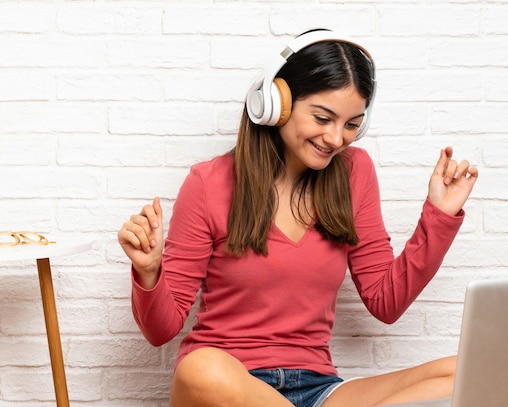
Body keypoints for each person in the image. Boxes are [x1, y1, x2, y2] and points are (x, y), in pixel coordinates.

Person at [118, 29, 478, 407]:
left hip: (318, 388)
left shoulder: (354, 172)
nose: (337, 139)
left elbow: (385, 301)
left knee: (465, 370)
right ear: (277, 103)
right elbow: (162, 330)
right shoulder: (209, 182)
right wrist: (149, 271)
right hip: (230, 384)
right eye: (323, 118)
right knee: (200, 368)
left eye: (352, 124)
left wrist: (439, 215)